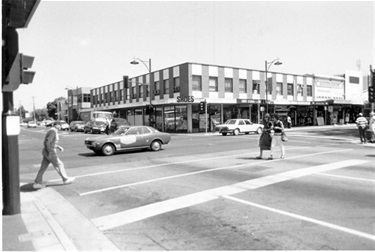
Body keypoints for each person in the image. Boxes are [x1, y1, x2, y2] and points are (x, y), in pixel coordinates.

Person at [33, 122, 75, 189]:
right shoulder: (53, 131)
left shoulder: (52, 131)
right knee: (59, 164)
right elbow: (47, 142)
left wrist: (58, 147)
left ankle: (37, 183)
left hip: (47, 151)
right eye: (59, 125)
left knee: (43, 167)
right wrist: (50, 151)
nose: (60, 126)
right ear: (56, 125)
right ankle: (65, 179)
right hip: (50, 152)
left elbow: (51, 142)